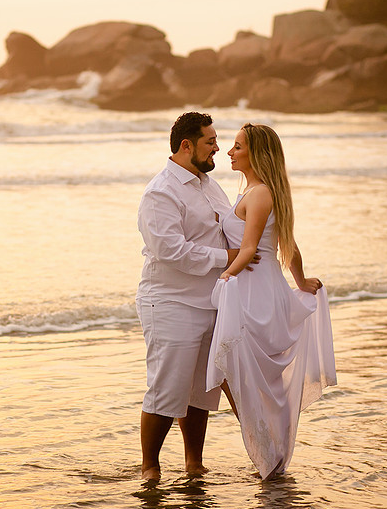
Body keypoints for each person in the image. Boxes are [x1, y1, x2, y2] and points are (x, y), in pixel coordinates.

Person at [206, 122, 337, 479]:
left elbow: (252, 248)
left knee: (246, 376)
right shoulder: (255, 190)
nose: (229, 152)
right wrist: (299, 279)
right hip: (257, 287)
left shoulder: (260, 193)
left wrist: (225, 275)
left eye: (237, 147)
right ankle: (269, 454)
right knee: (248, 377)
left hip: (255, 291)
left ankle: (269, 454)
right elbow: (287, 245)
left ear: (256, 154)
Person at [136, 111, 254, 482]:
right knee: (168, 386)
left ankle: (193, 464)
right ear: (187, 145)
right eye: (210, 141)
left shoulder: (208, 184)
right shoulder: (161, 191)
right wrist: (229, 258)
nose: (218, 147)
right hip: (171, 301)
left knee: (199, 390)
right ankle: (150, 467)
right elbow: (170, 250)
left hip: (211, 300)